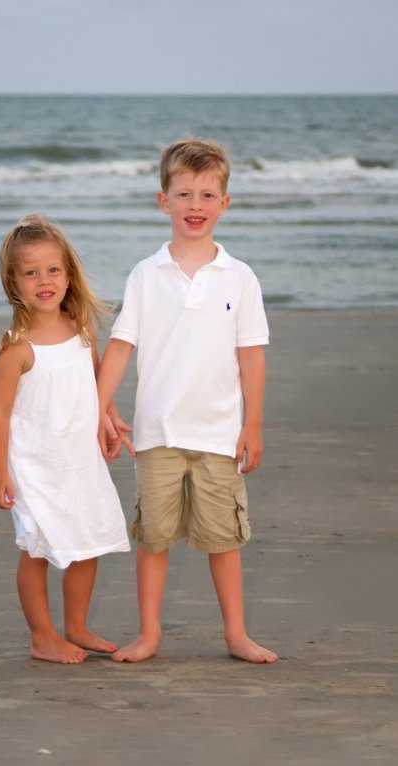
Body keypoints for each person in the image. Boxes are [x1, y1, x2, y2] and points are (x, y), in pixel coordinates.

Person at [97, 139, 278, 664]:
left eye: (206, 194)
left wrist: (254, 425)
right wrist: (98, 410)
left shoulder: (240, 277)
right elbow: (121, 348)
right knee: (154, 539)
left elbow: (252, 357)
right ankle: (149, 633)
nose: (194, 205)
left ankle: (236, 634)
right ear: (163, 201)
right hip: (157, 433)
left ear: (225, 203)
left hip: (220, 435)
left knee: (225, 540)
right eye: (183, 194)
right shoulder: (146, 275)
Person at [0, 214, 130, 664]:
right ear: (14, 283)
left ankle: (77, 624)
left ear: (69, 274)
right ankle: (43, 635)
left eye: (53, 270)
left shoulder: (82, 328)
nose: (44, 281)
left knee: (88, 542)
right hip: (34, 467)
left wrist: (109, 418)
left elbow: (96, 385)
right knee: (37, 548)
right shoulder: (17, 346)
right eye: (31, 273)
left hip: (79, 460)